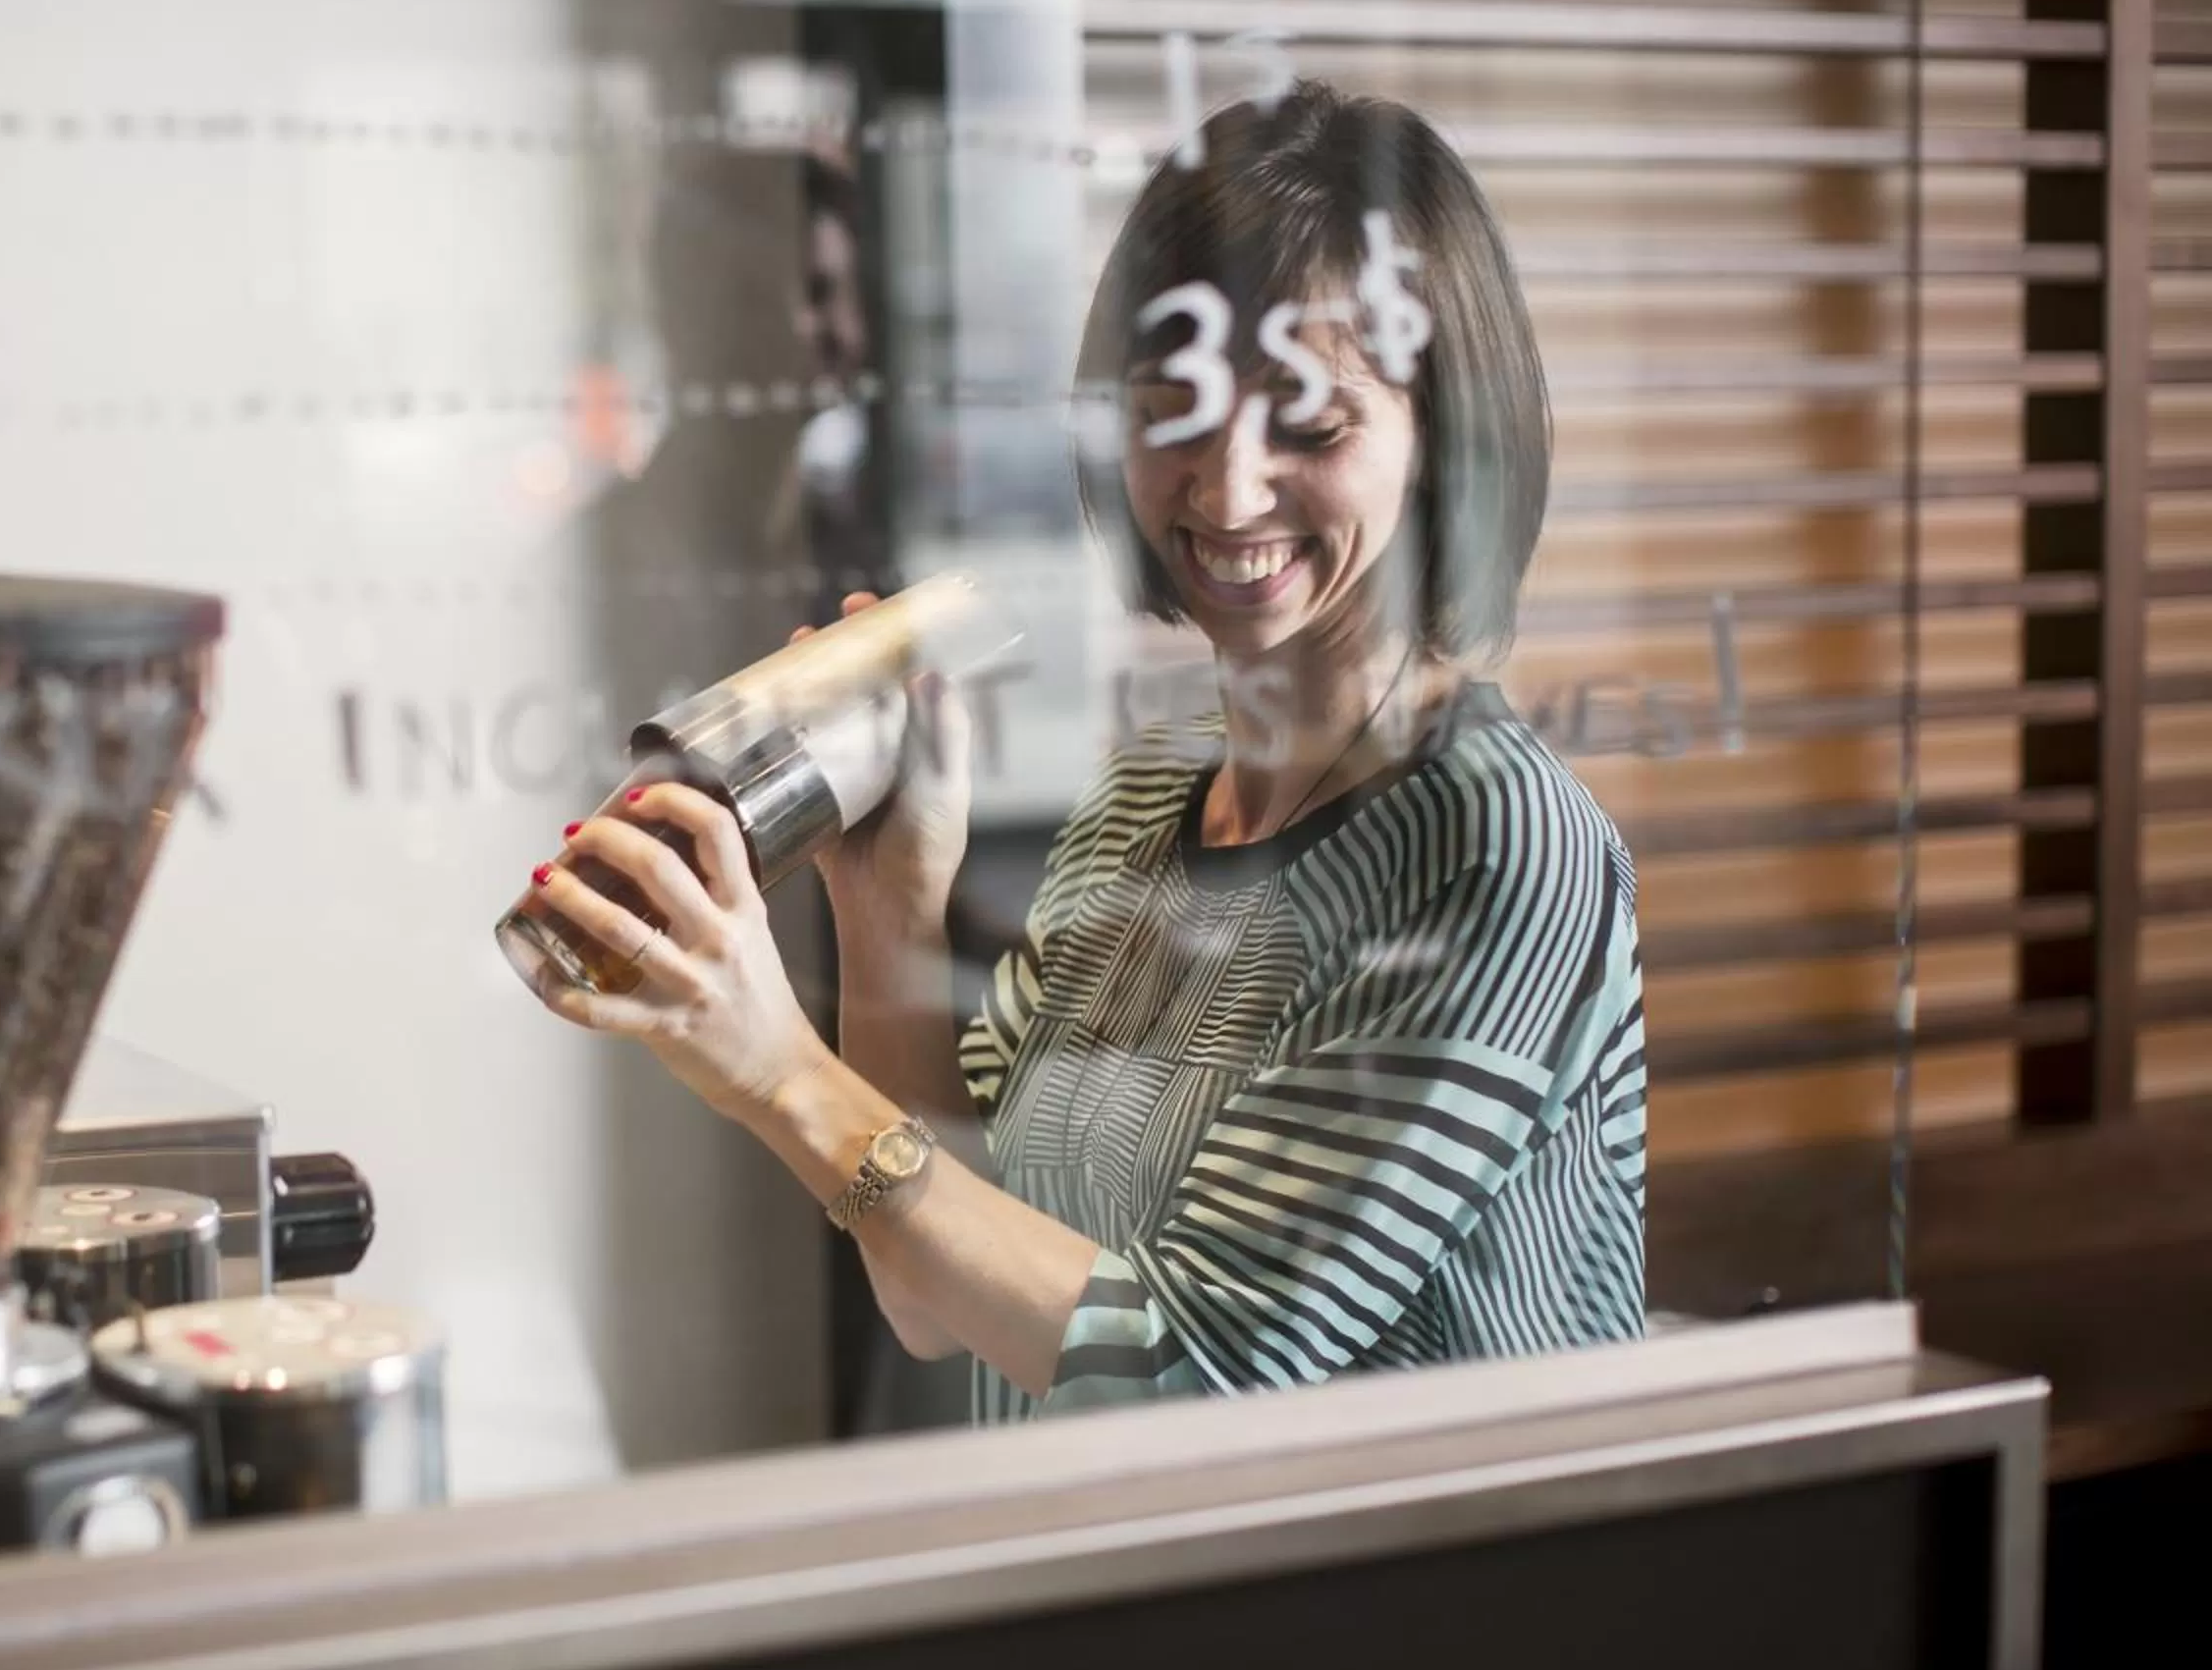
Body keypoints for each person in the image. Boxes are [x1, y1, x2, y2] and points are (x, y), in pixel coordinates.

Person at [518, 84, 1646, 1419]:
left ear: (1442, 441)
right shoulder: (1150, 794)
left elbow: (1184, 1367)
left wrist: (777, 1069)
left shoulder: (1497, 850)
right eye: (1174, 408)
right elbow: (935, 1292)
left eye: (1312, 423)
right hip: (1117, 1597)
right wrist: (890, 916)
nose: (1226, 489)